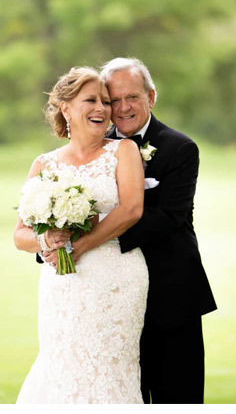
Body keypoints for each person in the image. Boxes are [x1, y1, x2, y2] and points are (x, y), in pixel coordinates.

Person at [15, 67, 148, 403]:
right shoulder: (45, 163)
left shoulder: (123, 151)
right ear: (66, 108)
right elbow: (20, 235)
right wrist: (48, 241)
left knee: (110, 369)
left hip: (116, 276)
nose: (103, 109)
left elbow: (131, 209)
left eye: (105, 101)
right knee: (62, 364)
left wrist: (80, 245)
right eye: (91, 100)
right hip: (62, 283)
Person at [96, 57, 217, 402]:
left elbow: (169, 217)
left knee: (178, 398)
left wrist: (91, 235)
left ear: (151, 97)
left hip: (171, 295)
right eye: (113, 100)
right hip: (113, 301)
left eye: (131, 97)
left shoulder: (180, 148)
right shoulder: (96, 147)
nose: (122, 107)